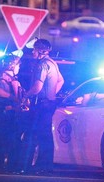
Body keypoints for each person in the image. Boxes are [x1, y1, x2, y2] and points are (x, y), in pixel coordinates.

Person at [20, 38, 64, 174]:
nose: (33, 52)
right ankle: (45, 166)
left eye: (34, 49)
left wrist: (26, 96)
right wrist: (52, 94)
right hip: (49, 104)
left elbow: (38, 87)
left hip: (41, 105)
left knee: (38, 135)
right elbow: (61, 80)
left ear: (41, 51)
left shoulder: (42, 65)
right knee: (45, 135)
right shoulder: (53, 63)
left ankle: (39, 167)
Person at [0, 53, 22, 171]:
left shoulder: (13, 79)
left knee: (10, 138)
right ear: (12, 65)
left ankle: (9, 164)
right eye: (18, 65)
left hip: (11, 112)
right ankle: (1, 165)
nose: (19, 67)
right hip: (5, 113)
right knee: (4, 138)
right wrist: (12, 97)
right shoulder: (3, 78)